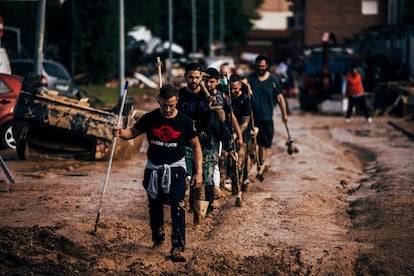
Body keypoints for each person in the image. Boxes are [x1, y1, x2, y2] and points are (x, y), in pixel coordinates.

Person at [112, 84, 203, 262]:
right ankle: (158, 233)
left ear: (177, 101)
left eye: (171, 105)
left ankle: (178, 246)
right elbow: (132, 133)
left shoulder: (185, 121)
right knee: (155, 205)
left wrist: (199, 172)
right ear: (158, 101)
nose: (168, 109)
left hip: (176, 168)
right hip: (154, 168)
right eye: (164, 105)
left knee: (178, 205)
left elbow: (196, 146)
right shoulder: (150, 118)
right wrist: (120, 133)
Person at [176, 62, 217, 222]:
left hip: (204, 142)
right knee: (183, 179)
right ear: (186, 77)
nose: (194, 80)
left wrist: (212, 100)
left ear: (202, 78)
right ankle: (181, 216)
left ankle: (198, 222)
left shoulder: (208, 96)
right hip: (183, 143)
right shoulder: (179, 95)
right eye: (191, 77)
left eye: (197, 77)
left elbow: (221, 117)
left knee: (202, 181)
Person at [204, 67, 242, 200]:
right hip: (202, 132)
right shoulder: (200, 94)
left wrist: (238, 135)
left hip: (217, 133)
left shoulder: (222, 95)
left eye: (211, 81)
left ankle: (214, 191)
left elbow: (230, 116)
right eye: (206, 81)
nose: (208, 84)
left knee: (214, 162)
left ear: (216, 82)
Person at [247, 54, 288, 169]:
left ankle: (261, 163)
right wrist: (247, 87)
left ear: (267, 66)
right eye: (258, 66)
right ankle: (250, 163)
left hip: (267, 117)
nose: (260, 68)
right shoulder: (250, 78)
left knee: (264, 144)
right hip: (253, 117)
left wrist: (284, 114)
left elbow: (280, 98)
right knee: (251, 142)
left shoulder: (273, 80)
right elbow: (240, 83)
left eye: (262, 66)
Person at [229, 74, 252, 196]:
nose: (233, 91)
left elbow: (244, 123)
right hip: (229, 134)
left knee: (240, 161)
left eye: (236, 89)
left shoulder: (245, 100)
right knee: (229, 161)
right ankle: (233, 187)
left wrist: (237, 135)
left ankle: (241, 184)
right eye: (231, 88)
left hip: (243, 135)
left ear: (240, 86)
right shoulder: (227, 98)